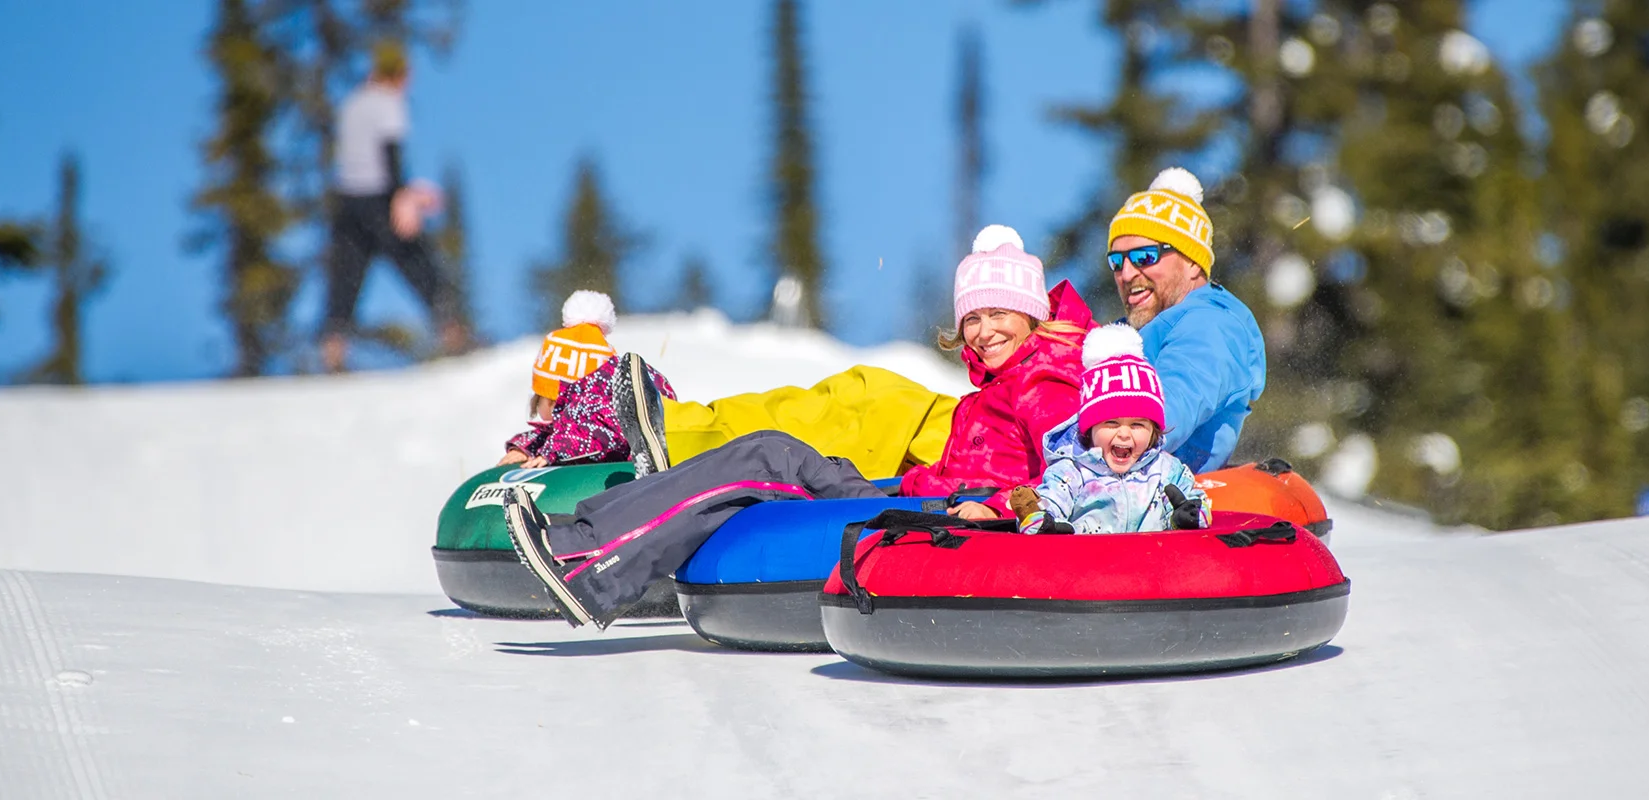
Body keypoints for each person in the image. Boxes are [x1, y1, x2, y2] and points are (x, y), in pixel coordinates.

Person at [502, 225, 1093, 629]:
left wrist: (998, 507)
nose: (983, 332)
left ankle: (586, 560)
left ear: (1035, 315)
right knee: (771, 454)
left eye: (999, 314)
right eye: (972, 317)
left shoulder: (1046, 381)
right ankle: (591, 543)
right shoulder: (1000, 385)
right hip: (913, 496)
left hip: (945, 523)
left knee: (767, 459)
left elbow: (1072, 473)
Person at [1102, 167, 1268, 473]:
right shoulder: (1126, 333)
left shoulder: (1209, 324)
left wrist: (1088, 445)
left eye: (1144, 257)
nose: (1126, 274)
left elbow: (1174, 402)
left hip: (1158, 506)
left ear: (1192, 262)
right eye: (1116, 261)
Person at [320, 41, 466, 373]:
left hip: (346, 200)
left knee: (346, 276)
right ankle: (452, 333)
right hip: (379, 197)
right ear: (399, 74)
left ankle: (333, 349)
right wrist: (403, 197)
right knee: (417, 262)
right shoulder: (389, 103)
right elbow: (390, 157)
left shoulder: (352, 103)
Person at [1008, 324, 1209, 534]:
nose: (1124, 433)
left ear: (1154, 431)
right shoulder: (1073, 472)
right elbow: (1050, 503)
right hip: (1089, 562)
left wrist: (1188, 516)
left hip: (1154, 560)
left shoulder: (1166, 471)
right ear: (1089, 429)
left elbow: (1197, 504)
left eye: (1138, 424)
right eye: (1111, 423)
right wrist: (1042, 522)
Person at [497, 291, 676, 473]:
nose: (540, 414)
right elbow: (553, 434)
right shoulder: (570, 426)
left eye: (540, 399)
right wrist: (525, 448)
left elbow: (595, 434)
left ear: (556, 399)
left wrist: (552, 451)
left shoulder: (600, 414)